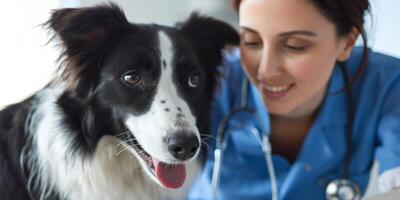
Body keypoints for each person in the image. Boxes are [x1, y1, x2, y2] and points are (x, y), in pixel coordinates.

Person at [188, 0, 400, 199]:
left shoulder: (387, 84)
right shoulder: (209, 84)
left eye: (295, 45)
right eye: (251, 42)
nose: (266, 70)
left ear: (347, 43)